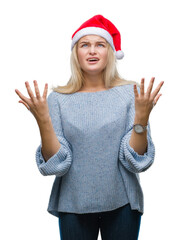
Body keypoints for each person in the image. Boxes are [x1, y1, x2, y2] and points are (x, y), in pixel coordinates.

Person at [15, 15, 164, 240]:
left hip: (122, 203)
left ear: (110, 52)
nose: (92, 51)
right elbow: (56, 164)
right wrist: (43, 120)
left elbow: (136, 161)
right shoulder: (58, 99)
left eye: (100, 45)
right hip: (73, 204)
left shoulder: (130, 93)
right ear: (76, 53)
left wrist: (141, 118)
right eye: (85, 45)